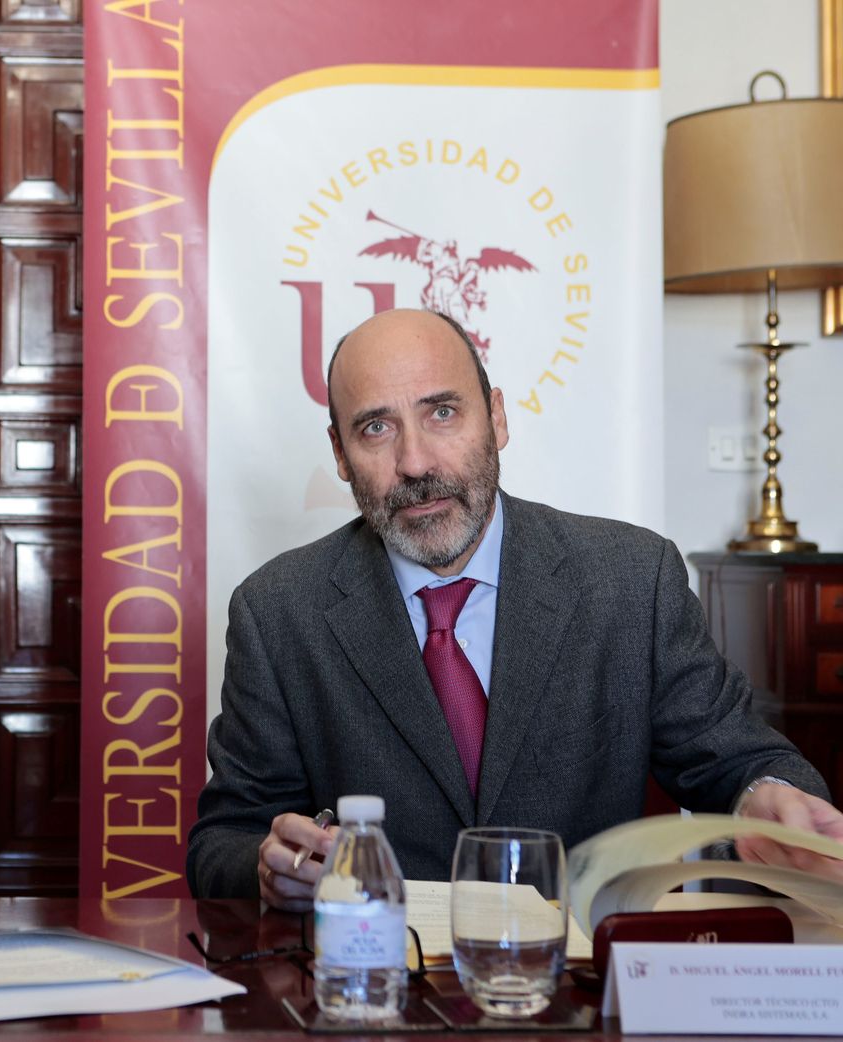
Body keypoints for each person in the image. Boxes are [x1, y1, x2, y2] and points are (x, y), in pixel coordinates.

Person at [188, 308, 843, 910]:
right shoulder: (278, 611)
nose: (415, 462)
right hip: (377, 997)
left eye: (442, 412)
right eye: (376, 427)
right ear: (339, 453)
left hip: (583, 991)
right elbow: (224, 842)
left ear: (497, 418)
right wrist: (268, 865)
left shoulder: (631, 579)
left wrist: (769, 798)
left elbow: (740, 762)